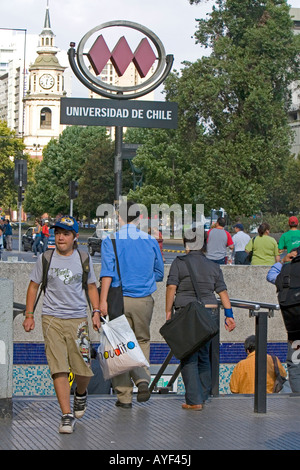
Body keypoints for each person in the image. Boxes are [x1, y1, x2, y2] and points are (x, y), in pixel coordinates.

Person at [23, 215, 101, 434]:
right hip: (51, 319)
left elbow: (92, 287)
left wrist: (96, 312)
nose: (60, 237)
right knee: (58, 367)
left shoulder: (83, 259)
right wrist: (29, 315)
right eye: (58, 233)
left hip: (78, 320)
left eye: (65, 234)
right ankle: (66, 415)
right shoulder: (46, 258)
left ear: (75, 237)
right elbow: (33, 287)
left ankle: (81, 393)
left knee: (83, 368)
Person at [99, 200, 164, 409]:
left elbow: (107, 274)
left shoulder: (111, 240)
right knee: (142, 340)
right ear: (139, 218)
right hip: (144, 300)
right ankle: (143, 380)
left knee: (118, 345)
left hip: (118, 300)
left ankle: (124, 397)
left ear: (119, 217)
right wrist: (144, 280)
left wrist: (102, 302)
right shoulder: (150, 240)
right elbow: (160, 273)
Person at [166, 228, 236, 410]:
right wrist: (229, 315)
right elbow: (222, 292)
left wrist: (167, 312)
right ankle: (203, 396)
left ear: (186, 243)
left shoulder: (179, 263)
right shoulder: (213, 265)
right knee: (204, 355)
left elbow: (171, 288)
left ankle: (194, 401)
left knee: (188, 355)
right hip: (210, 313)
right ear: (204, 244)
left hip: (187, 313)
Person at [267, 246, 300, 393]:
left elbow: (271, 276)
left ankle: (298, 398)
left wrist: (282, 262)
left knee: (295, 364)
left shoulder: (286, 272)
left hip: (295, 332)